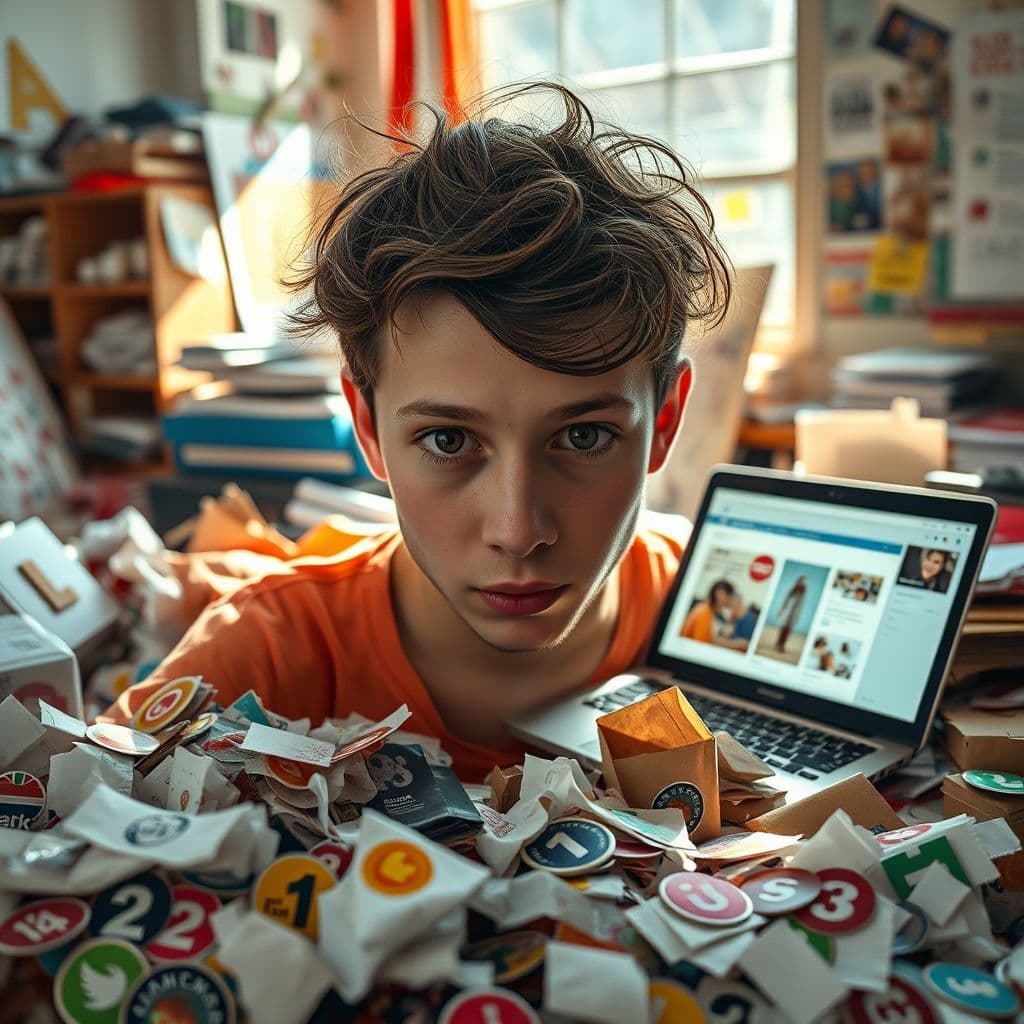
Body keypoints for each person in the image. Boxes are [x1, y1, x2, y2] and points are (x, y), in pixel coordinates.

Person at [100, 82, 730, 782]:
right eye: (449, 441)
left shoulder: (722, 619)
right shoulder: (265, 657)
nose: (518, 531)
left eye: (583, 437)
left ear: (664, 421)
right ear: (367, 427)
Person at [680, 580, 735, 645]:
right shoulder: (704, 612)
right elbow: (699, 643)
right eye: (728, 596)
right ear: (719, 594)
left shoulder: (712, 611)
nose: (730, 600)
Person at [773, 575, 808, 653]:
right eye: (802, 582)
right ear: (798, 582)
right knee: (783, 629)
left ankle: (782, 645)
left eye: (804, 583)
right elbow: (785, 601)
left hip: (794, 614)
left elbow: (801, 606)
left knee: (789, 630)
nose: (803, 584)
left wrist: (798, 615)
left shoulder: (803, 594)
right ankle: (778, 643)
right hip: (787, 612)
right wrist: (781, 610)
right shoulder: (791, 591)